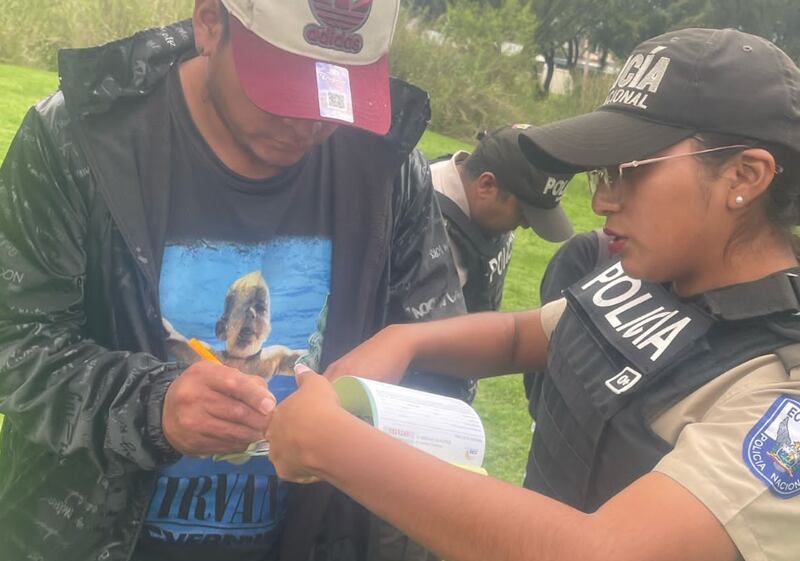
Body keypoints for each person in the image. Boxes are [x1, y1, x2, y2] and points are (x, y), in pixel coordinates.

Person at [264, 28, 800, 561]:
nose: (604, 202)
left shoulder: (779, 385)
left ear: (745, 175)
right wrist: (405, 340)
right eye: (603, 174)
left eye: (629, 172)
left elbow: (600, 551)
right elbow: (523, 335)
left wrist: (334, 446)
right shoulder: (659, 276)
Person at [0, 1, 468, 560]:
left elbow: (444, 366)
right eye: (282, 88)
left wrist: (367, 415)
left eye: (333, 92)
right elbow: (16, 340)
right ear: (209, 23)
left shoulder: (389, 170)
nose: (310, 125)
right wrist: (153, 405)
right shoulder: (77, 141)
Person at [430, 125, 574, 312]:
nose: (526, 224)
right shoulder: (421, 227)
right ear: (487, 185)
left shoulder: (480, 205)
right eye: (523, 212)